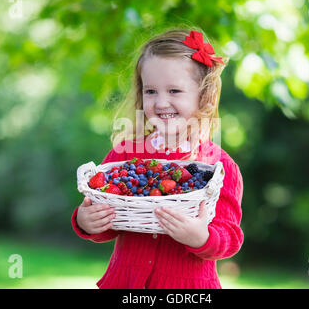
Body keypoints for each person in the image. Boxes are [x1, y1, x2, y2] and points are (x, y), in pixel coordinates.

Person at [71, 28, 244, 289]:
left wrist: (202, 237)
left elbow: (229, 237)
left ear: (203, 96)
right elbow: (110, 220)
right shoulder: (125, 154)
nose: (161, 102)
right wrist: (86, 221)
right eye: (151, 91)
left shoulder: (218, 166)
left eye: (174, 91)